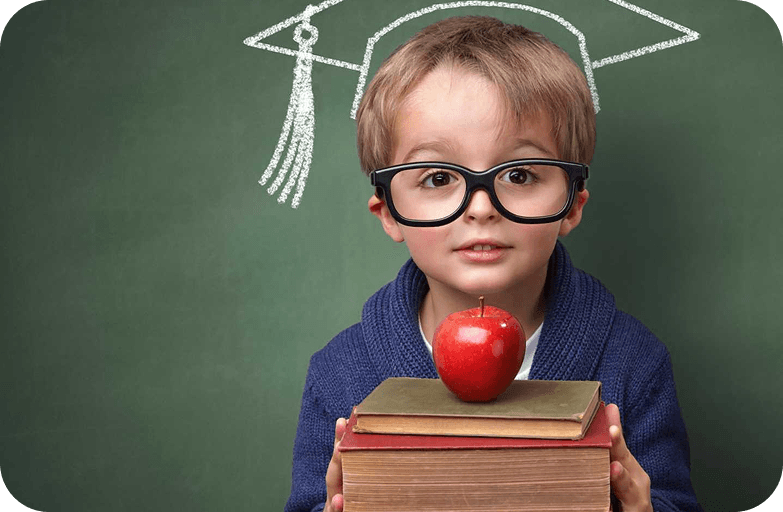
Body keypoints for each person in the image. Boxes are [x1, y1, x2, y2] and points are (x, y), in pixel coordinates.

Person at [284, 16, 701, 512]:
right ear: (389, 213)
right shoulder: (340, 373)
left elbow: (673, 500)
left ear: (572, 204)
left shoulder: (634, 363)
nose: (481, 208)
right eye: (438, 178)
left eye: (520, 174)